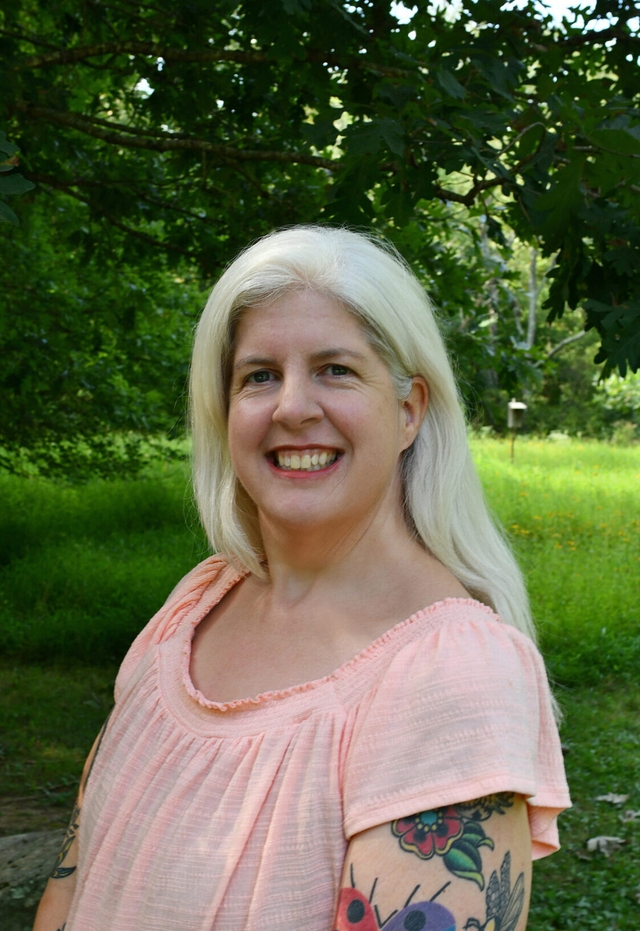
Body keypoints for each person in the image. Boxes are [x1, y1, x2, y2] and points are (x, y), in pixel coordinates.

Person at [34, 226, 570, 931]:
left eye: (335, 369)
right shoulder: (194, 607)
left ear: (409, 409)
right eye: (259, 375)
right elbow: (75, 884)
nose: (291, 407)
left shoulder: (451, 679)